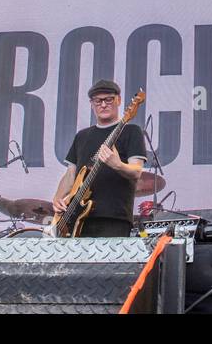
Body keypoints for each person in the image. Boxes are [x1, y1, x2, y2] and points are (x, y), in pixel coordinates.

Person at [51, 80, 146, 238]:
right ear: (91, 104)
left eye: (108, 99)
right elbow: (70, 174)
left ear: (119, 100)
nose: (103, 104)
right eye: (98, 101)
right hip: (76, 218)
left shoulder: (131, 131)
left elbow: (137, 171)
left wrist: (117, 165)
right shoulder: (82, 136)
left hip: (113, 218)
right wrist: (57, 198)